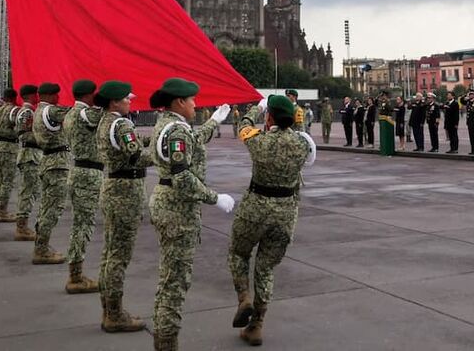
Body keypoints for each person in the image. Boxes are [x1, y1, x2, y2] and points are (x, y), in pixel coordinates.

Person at [148, 78, 234, 351]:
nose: (196, 105)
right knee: (176, 282)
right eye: (193, 100)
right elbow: (182, 176)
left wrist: (215, 122)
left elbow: (193, 140)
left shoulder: (168, 124)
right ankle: (166, 344)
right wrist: (214, 197)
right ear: (180, 102)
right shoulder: (177, 131)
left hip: (167, 204)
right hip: (177, 209)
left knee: (169, 276)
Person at [230, 95, 313, 346]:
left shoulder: (258, 140)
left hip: (255, 207)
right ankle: (256, 326)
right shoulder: (302, 145)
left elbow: (242, 127)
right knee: (266, 268)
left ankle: (243, 297)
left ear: (269, 117)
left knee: (238, 253)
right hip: (285, 213)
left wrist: (255, 109)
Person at [96, 80, 150, 332]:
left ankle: (108, 308)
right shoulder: (121, 124)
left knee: (110, 253)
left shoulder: (106, 122)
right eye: (126, 98)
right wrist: (165, 153)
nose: (130, 101)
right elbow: (136, 156)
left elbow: (130, 148)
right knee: (119, 255)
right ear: (114, 102)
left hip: (113, 189)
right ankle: (115, 315)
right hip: (125, 193)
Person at [63, 79, 103, 292]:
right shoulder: (84, 114)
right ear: (89, 95)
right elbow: (107, 114)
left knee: (80, 224)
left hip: (79, 171)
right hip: (87, 173)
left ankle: (75, 272)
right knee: (83, 225)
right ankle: (75, 277)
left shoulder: (70, 113)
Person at [31, 82, 72, 265]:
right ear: (49, 95)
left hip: (48, 160)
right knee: (53, 208)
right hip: (56, 162)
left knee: (46, 206)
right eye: (56, 95)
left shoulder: (38, 111)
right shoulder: (50, 111)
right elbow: (74, 116)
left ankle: (41, 245)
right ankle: (41, 249)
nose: (58, 98)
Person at [14, 84, 43, 241]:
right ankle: (21, 227)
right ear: (30, 95)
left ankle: (22, 224)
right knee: (28, 191)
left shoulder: (29, 111)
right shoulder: (26, 112)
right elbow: (23, 134)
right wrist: (42, 139)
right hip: (29, 155)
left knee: (31, 191)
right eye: (36, 94)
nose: (38, 96)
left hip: (32, 155)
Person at [0, 88, 20, 223]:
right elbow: (19, 129)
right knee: (7, 182)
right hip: (9, 148)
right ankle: (2, 211)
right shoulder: (14, 111)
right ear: (14, 98)